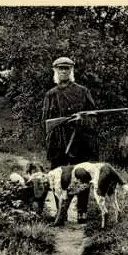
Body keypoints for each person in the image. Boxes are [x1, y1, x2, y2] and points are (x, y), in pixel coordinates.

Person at [41, 56, 100, 224]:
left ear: (71, 71)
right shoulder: (50, 94)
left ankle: (82, 211)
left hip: (79, 140)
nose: (64, 71)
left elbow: (94, 116)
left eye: (67, 69)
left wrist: (83, 119)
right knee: (57, 177)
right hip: (58, 142)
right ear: (56, 71)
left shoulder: (83, 91)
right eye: (60, 69)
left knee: (82, 175)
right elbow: (45, 121)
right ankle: (62, 212)